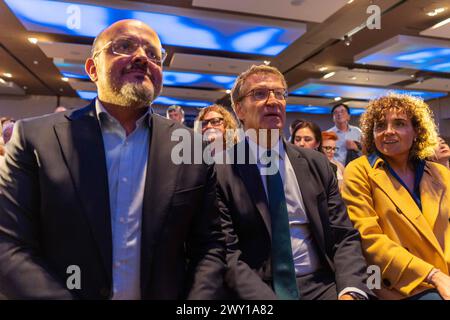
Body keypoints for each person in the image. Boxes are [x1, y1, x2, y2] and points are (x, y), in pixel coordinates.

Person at [0, 19, 226, 300]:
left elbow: (210, 245)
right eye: (125, 46)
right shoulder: (35, 137)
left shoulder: (192, 146)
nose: (142, 57)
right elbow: (8, 246)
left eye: (154, 54)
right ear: (93, 69)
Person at [216, 64, 372, 300]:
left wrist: (350, 292)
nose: (273, 101)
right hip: (258, 289)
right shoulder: (220, 169)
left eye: (279, 93)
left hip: (322, 285)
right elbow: (226, 253)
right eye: (259, 94)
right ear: (239, 109)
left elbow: (343, 236)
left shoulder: (317, 164)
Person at [342, 94, 450, 300]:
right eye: (380, 126)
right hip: (391, 280)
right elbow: (369, 239)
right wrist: (433, 275)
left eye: (399, 124)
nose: (388, 131)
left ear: (417, 131)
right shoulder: (359, 170)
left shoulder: (439, 173)